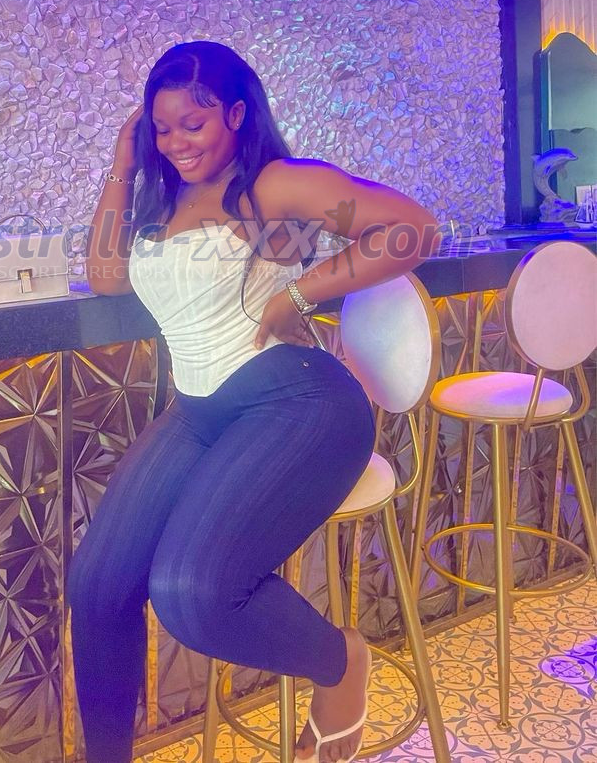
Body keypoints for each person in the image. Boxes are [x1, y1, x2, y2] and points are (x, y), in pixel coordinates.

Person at [68, 41, 437, 763]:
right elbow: (106, 275)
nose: (177, 142)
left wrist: (299, 291)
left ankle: (342, 662)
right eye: (162, 128)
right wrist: (121, 165)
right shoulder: (165, 196)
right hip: (202, 411)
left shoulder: (274, 186)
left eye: (194, 124)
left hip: (298, 401)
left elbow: (413, 228)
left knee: (191, 592)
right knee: (97, 583)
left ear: (236, 115)